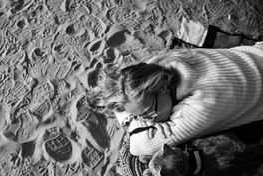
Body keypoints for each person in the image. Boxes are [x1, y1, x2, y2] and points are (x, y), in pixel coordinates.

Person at [87, 42, 263, 155]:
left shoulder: (201, 106)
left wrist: (141, 122)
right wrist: (133, 112)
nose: (151, 120)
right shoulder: (166, 64)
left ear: (163, 87)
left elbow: (140, 147)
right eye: (142, 116)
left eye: (150, 112)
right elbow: (130, 80)